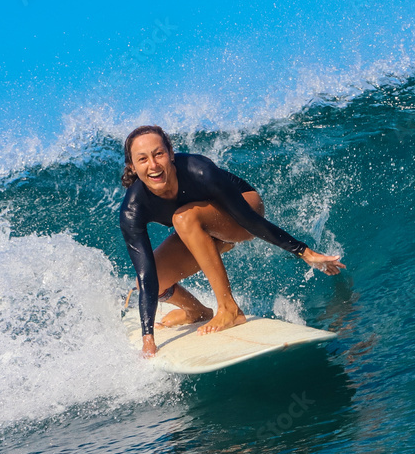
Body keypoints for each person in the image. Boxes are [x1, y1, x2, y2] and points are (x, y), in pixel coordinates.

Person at [119, 125, 345, 358]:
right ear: (132, 167)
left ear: (171, 154)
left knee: (183, 218)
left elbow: (249, 220)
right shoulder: (132, 211)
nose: (153, 165)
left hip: (243, 211)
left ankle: (229, 308)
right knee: (150, 281)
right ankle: (196, 311)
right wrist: (148, 340)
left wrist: (303, 251)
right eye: (143, 159)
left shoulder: (200, 171)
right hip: (199, 229)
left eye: (159, 154)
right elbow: (147, 275)